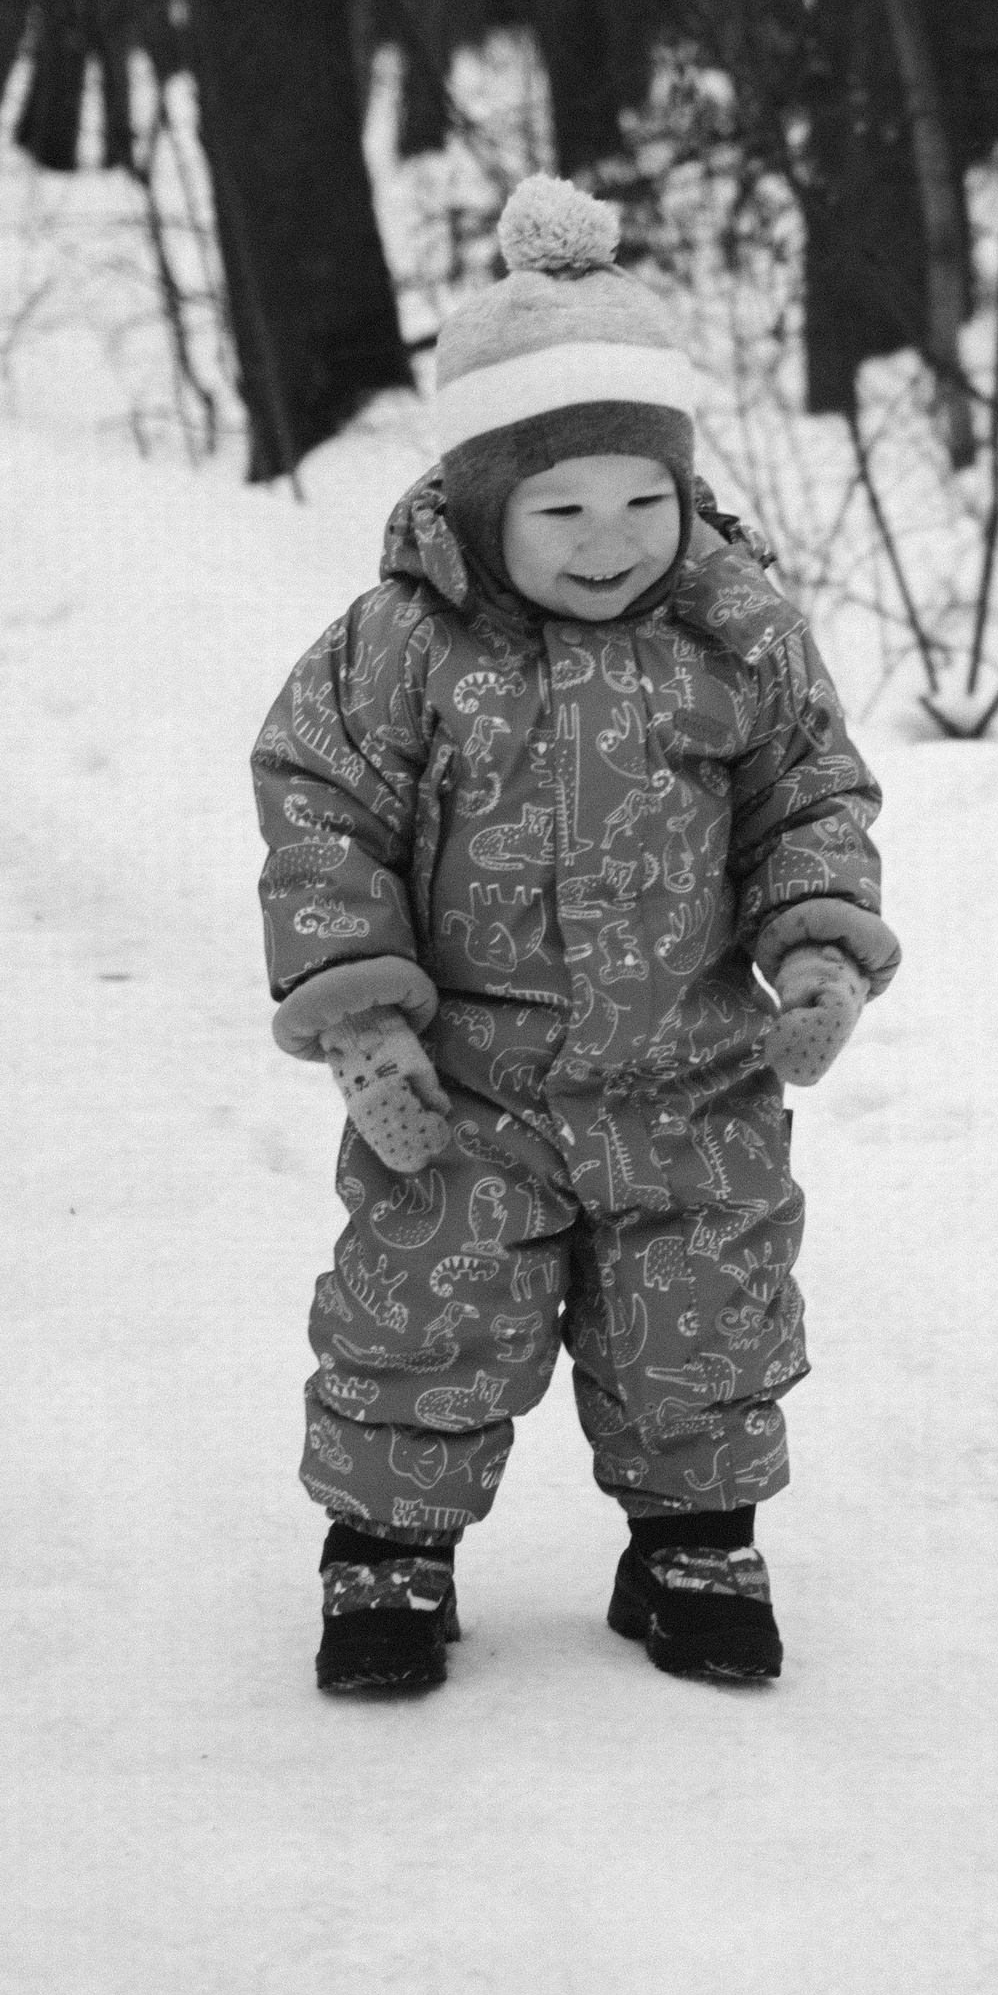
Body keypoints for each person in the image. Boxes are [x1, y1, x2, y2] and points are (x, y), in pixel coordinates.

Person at [253, 174, 898, 1701]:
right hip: (466, 1083)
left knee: (704, 1316)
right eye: (562, 512)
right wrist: (363, 1016)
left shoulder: (736, 630)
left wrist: (816, 942)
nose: (611, 541)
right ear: (485, 502)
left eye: (642, 503)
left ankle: (694, 1544)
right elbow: (321, 810)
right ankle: (387, 1555)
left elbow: (809, 789)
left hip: (689, 1072)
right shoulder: (403, 646)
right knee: (427, 1309)